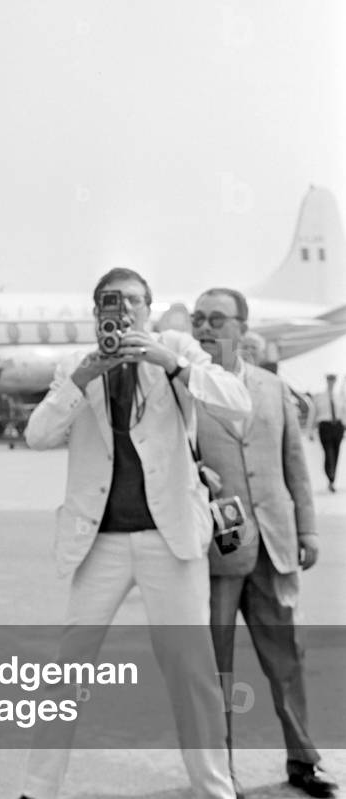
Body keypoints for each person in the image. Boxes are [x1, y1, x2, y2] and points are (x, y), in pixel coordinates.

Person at [17, 266, 251, 799]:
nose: (120, 311)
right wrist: (82, 379)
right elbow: (38, 435)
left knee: (192, 672)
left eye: (131, 302)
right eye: (108, 302)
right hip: (99, 543)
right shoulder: (76, 365)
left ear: (149, 307)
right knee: (67, 671)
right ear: (95, 311)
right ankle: (36, 789)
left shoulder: (176, 347)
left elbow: (237, 402)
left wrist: (170, 362)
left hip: (170, 539)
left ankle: (216, 790)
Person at [194, 288, 337, 799]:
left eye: (217, 319)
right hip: (216, 550)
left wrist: (308, 529)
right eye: (198, 319)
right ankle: (219, 774)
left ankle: (304, 761)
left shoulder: (273, 387)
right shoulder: (184, 389)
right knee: (217, 666)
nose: (205, 328)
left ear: (241, 326)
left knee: (287, 659)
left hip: (275, 544)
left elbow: (294, 466)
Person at [313, 373, 344, 492]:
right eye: (329, 380)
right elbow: (313, 413)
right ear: (327, 381)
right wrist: (310, 430)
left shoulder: (339, 396)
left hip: (338, 427)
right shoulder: (320, 396)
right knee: (328, 452)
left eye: (333, 380)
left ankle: (332, 479)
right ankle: (330, 474)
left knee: (336, 453)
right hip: (325, 427)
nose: (331, 382)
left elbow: (343, 413)